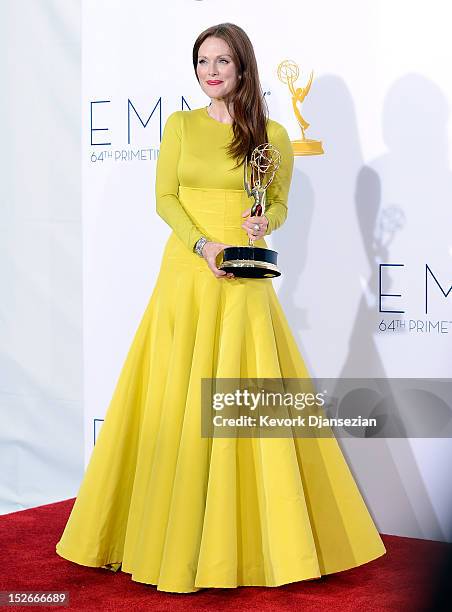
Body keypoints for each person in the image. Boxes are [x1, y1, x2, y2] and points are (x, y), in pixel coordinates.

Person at [55, 22, 386, 594]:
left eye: (223, 62)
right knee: (176, 402)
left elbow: (278, 204)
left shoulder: (273, 136)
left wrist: (264, 223)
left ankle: (256, 545)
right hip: (187, 275)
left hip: (244, 278)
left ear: (243, 69)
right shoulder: (180, 126)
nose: (211, 72)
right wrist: (202, 245)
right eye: (203, 61)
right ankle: (168, 539)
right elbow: (165, 197)